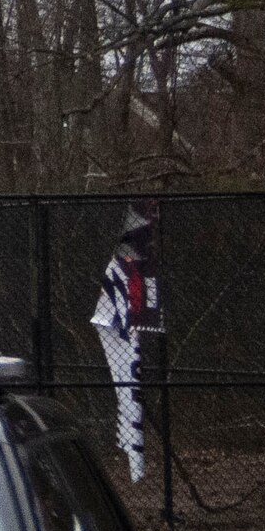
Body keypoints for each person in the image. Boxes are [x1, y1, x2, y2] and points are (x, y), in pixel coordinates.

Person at [92, 204, 165, 484]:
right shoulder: (127, 261)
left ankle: (136, 461)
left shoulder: (140, 260)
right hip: (121, 324)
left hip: (129, 321)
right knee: (127, 386)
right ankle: (134, 460)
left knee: (130, 387)